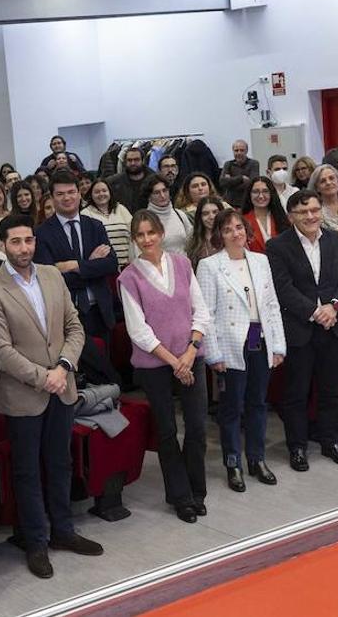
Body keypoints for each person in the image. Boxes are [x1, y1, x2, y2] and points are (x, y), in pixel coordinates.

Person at [0, 214, 102, 578]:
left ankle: (63, 531)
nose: (24, 248)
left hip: (62, 386)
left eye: (28, 240)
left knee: (60, 463)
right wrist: (44, 377)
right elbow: (1, 351)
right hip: (22, 394)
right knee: (28, 471)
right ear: (2, 245)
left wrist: (63, 367)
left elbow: (74, 327)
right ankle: (36, 541)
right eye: (15, 241)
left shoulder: (52, 275)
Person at [118, 210, 213, 520]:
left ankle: (197, 490)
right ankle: (180, 497)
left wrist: (189, 353)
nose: (147, 239)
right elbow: (138, 331)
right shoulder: (129, 278)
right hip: (155, 365)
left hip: (190, 357)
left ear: (160, 233)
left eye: (151, 233)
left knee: (197, 427)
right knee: (167, 431)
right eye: (140, 235)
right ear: (134, 240)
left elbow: (201, 311)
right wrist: (175, 362)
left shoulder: (183, 264)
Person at [265, 190, 338, 472]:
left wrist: (333, 307)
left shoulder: (336, 239)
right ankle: (298, 447)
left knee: (331, 392)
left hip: (334, 326)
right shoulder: (277, 246)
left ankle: (331, 442)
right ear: (291, 215)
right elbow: (283, 288)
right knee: (296, 392)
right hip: (300, 330)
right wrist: (315, 311)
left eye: (315, 210)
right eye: (303, 212)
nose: (310, 216)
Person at [196, 209, 285, 492]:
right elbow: (205, 312)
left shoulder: (260, 261)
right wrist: (213, 353)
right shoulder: (210, 266)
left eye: (239, 228)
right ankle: (233, 462)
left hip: (260, 338)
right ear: (219, 236)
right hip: (230, 341)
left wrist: (279, 344)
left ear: (247, 232)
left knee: (258, 403)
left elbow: (271, 305)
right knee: (232, 406)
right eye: (227, 229)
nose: (235, 234)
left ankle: (257, 459)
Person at [33, 171, 121, 385]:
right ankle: (112, 388)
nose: (67, 197)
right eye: (60, 194)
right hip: (68, 312)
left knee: (104, 359)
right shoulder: (42, 233)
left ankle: (108, 401)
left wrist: (74, 265)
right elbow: (50, 277)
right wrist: (91, 265)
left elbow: (110, 264)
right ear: (52, 198)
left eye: (71, 192)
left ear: (80, 194)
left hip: (100, 308)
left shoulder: (95, 226)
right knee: (87, 370)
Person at [82, 178, 133, 268]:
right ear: (91, 195)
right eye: (97, 192)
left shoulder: (121, 209)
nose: (101, 194)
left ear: (110, 192)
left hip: (127, 266)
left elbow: (133, 235)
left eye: (104, 191)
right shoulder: (85, 213)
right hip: (102, 268)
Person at [143, 175, 192, 256]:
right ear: (149, 196)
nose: (162, 196)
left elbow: (191, 242)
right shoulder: (144, 219)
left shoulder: (180, 215)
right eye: (156, 193)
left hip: (183, 265)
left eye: (164, 190)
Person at [243, 176, 290, 254]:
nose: (261, 196)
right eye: (255, 191)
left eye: (265, 191)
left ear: (271, 194)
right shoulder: (242, 221)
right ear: (249, 195)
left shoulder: (282, 219)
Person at [105, 146, 154, 212]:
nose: (133, 163)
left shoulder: (154, 180)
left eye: (136, 160)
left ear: (143, 161)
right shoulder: (113, 182)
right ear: (125, 162)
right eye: (129, 160)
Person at [219, 140, 261, 207]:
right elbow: (222, 182)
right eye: (236, 150)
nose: (239, 153)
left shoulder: (254, 163)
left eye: (242, 150)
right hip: (230, 203)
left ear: (246, 151)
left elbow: (252, 183)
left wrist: (230, 183)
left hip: (248, 203)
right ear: (233, 151)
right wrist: (241, 178)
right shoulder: (228, 164)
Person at [186, 196, 225, 267]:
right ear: (200, 217)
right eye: (206, 213)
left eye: (215, 212)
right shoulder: (193, 240)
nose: (211, 217)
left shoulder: (232, 235)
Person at [308, 164, 338, 230]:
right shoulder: (315, 211)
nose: (328, 183)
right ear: (317, 188)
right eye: (323, 181)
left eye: (331, 178)